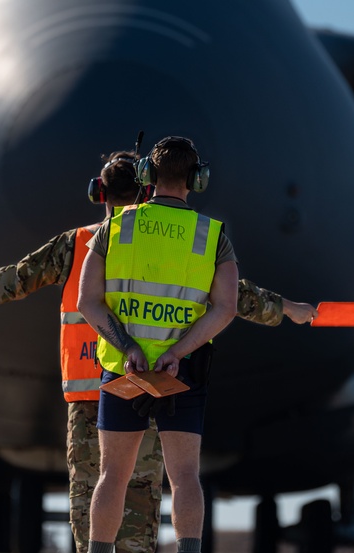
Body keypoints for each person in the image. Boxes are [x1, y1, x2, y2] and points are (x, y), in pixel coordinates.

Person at [0, 148, 316, 553]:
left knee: (95, 509)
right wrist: (290, 308)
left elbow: (13, 279)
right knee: (146, 507)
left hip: (94, 393)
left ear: (100, 193)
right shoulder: (173, 240)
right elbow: (236, 297)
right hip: (151, 385)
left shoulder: (82, 244)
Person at [78, 136, 247, 553]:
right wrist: (177, 351)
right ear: (197, 179)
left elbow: (88, 302)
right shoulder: (213, 235)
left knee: (112, 475)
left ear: (147, 176)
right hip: (182, 372)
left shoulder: (114, 227)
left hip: (124, 371)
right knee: (185, 476)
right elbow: (225, 308)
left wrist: (129, 347)